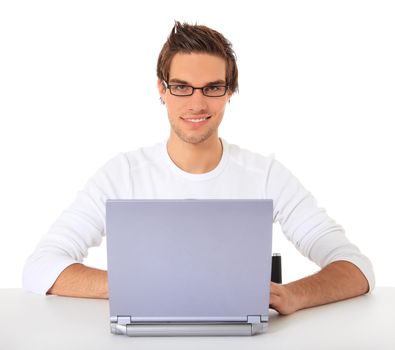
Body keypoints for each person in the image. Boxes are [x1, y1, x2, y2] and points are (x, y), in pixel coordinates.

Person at [23, 21, 374, 315]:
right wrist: (138, 287)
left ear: (229, 92)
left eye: (212, 87)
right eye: (181, 87)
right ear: (162, 90)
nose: (197, 103)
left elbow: (357, 269)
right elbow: (41, 268)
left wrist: (293, 295)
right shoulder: (123, 173)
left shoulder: (265, 174)